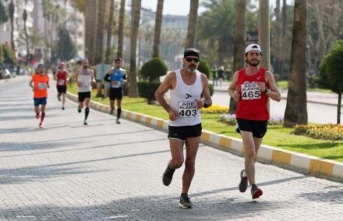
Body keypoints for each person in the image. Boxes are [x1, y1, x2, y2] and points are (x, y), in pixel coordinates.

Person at [155, 48, 212, 209]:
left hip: (194, 125)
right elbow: (158, 94)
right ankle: (170, 167)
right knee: (178, 160)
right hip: (177, 125)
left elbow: (209, 100)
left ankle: (184, 195)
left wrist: (204, 103)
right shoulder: (174, 76)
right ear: (184, 60)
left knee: (191, 162)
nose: (192, 62)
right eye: (189, 59)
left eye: (196, 60)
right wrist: (169, 110)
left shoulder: (202, 78)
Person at [228, 44, 281, 199]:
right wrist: (234, 95)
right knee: (250, 151)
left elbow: (278, 97)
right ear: (246, 57)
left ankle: (245, 174)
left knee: (253, 155)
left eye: (257, 54)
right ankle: (254, 187)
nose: (254, 57)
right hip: (243, 117)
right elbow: (231, 89)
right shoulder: (239, 74)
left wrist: (265, 90)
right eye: (251, 54)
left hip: (261, 118)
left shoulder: (266, 75)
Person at [104, 58, 127, 124]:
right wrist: (111, 81)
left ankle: (118, 118)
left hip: (119, 89)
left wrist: (124, 81)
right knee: (112, 103)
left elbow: (125, 79)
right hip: (112, 89)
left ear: (121, 63)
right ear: (115, 63)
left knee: (119, 103)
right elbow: (105, 78)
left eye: (119, 63)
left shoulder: (123, 71)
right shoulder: (111, 70)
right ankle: (112, 108)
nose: (118, 64)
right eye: (117, 63)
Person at [73, 59, 96, 125]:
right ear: (82, 64)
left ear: (88, 64)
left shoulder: (91, 71)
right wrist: (77, 82)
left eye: (86, 63)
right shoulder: (78, 71)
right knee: (81, 105)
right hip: (81, 90)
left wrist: (93, 81)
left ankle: (85, 119)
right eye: (84, 63)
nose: (85, 64)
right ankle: (79, 107)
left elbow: (93, 78)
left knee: (87, 103)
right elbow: (74, 78)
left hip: (88, 89)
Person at [29, 64, 50, 128]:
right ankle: (37, 113)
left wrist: (48, 86)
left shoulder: (46, 76)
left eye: (42, 68)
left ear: (44, 69)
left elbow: (47, 84)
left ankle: (41, 122)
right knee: (36, 110)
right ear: (38, 69)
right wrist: (33, 87)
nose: (41, 69)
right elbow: (30, 83)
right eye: (39, 68)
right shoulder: (35, 76)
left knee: (43, 109)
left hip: (44, 95)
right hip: (36, 95)